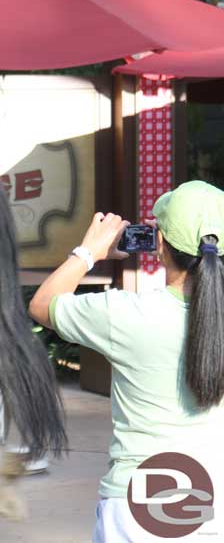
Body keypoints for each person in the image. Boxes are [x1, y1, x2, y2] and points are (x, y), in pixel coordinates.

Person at [29, 181, 224, 542]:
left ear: (159, 245)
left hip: (141, 502)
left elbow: (43, 304)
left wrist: (88, 253)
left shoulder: (127, 313)